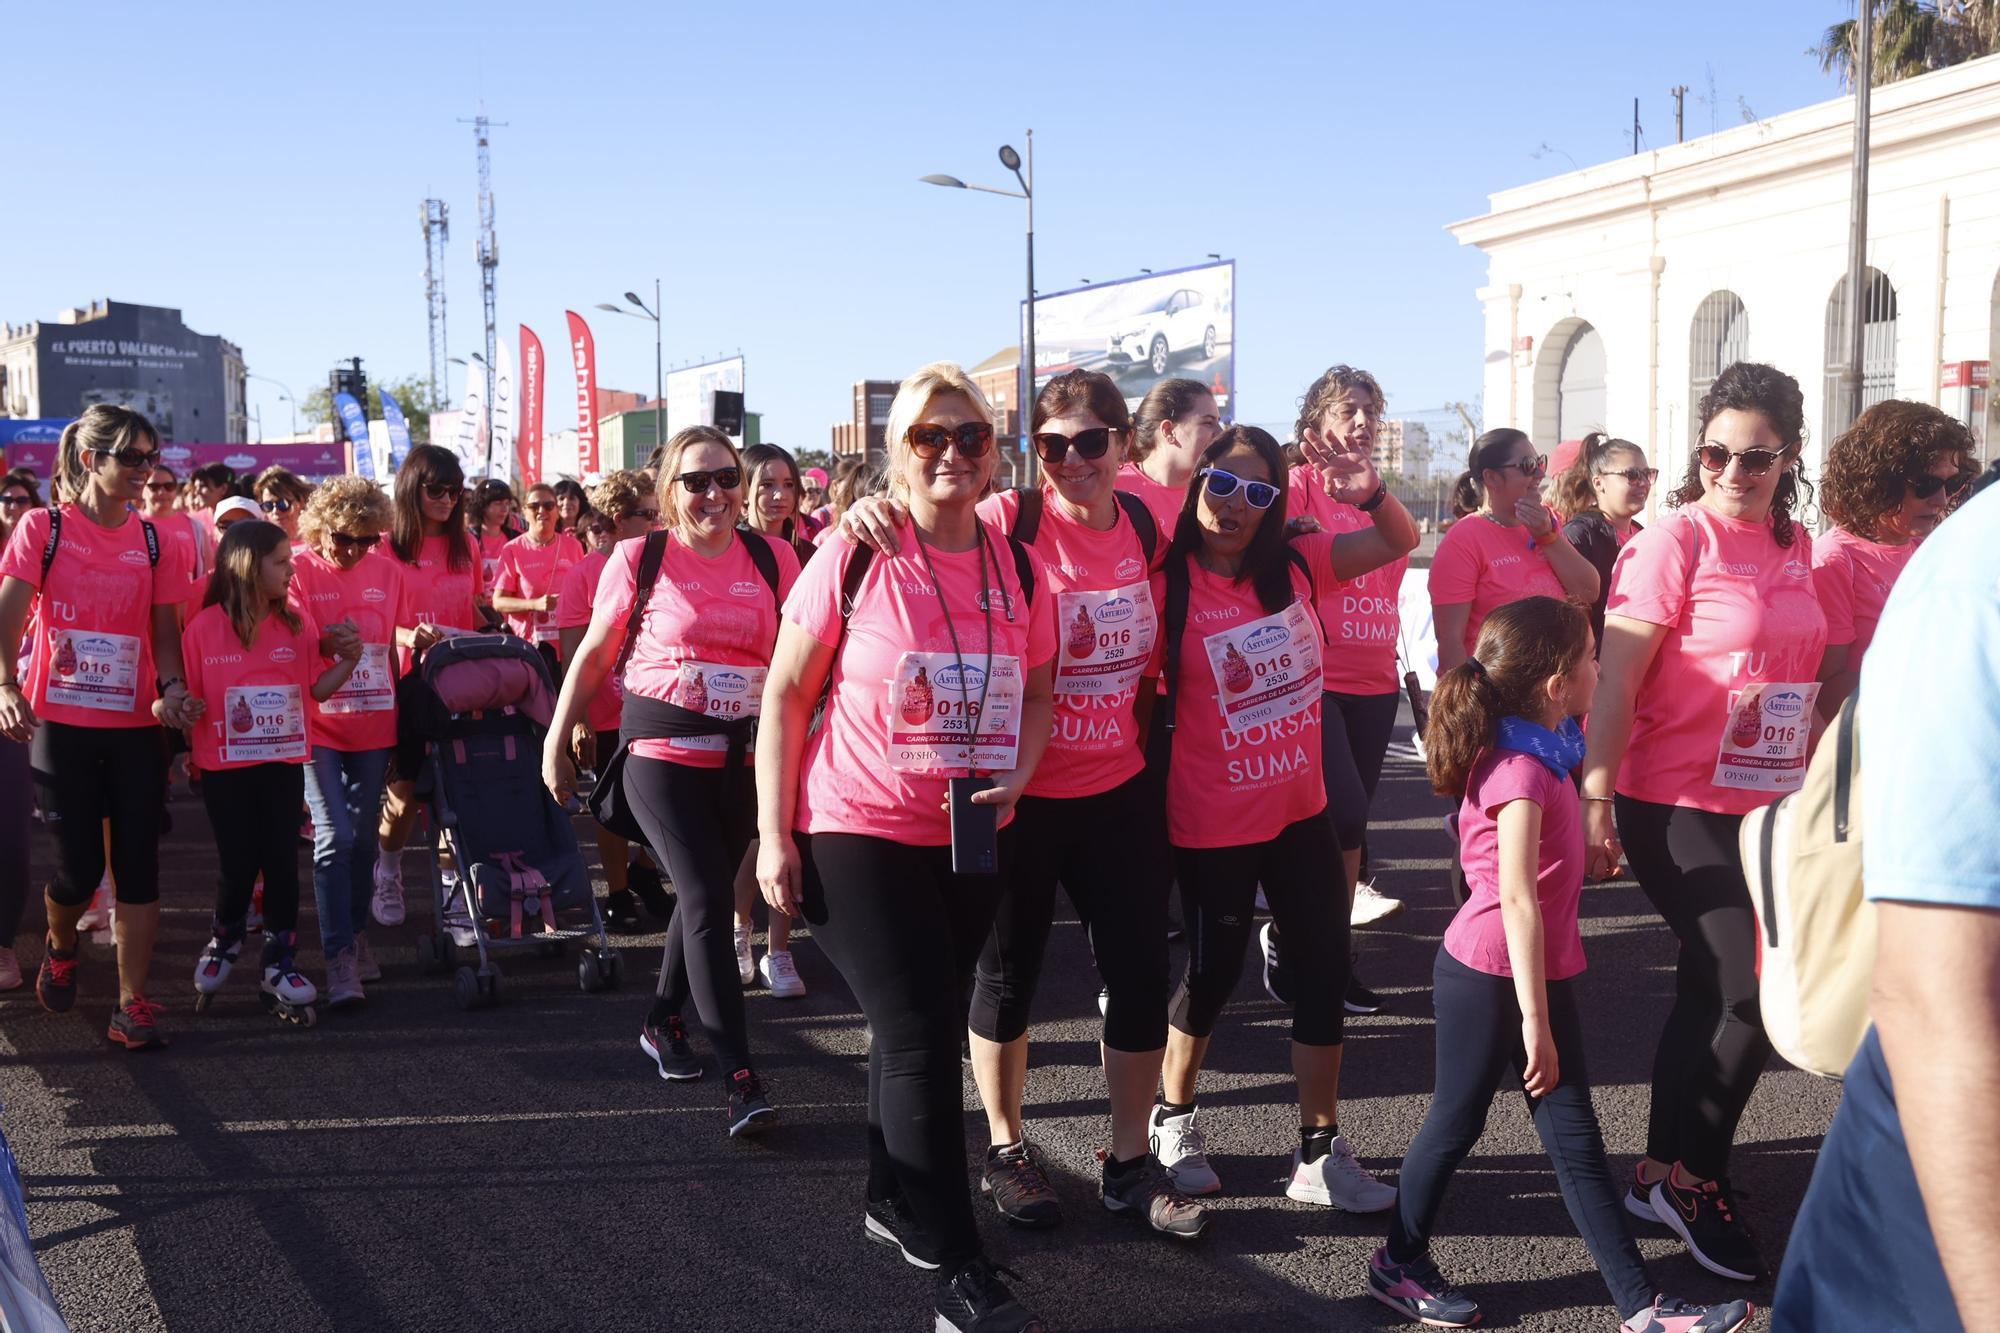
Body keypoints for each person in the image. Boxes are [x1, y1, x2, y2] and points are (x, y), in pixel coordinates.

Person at [835, 370, 1203, 1235]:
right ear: (1031, 455)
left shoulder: (1147, 524)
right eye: (1052, 446)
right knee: (1008, 977)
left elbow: (1224, 554)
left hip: (1117, 786)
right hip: (1017, 792)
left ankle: (1127, 1162)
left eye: (1090, 441)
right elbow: (926, 519)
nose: (1072, 461)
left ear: (1123, 442)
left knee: (1142, 977)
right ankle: (1008, 1149)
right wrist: (865, 514)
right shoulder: (1011, 522)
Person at [756, 363, 1055, 1333]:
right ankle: (958, 1272)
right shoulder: (855, 556)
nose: (951, 455)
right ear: (897, 453)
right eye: (929, 436)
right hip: (855, 824)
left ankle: (889, 1195)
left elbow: (1042, 690)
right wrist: (771, 835)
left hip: (970, 828)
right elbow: (784, 697)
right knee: (924, 1031)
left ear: (992, 450)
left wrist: (1020, 770)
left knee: (908, 1023)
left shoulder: (1016, 566)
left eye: (969, 436)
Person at [1371, 596, 1751, 1333]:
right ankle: (1398, 1261)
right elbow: (1515, 899)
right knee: (1455, 1122)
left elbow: (1531, 874)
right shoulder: (1519, 768)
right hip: (1494, 977)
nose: (1598, 669)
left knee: (1576, 1143)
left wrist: (1587, 850)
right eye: (1589, 659)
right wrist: (1535, 1021)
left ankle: (1641, 1309)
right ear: (1556, 683)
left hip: (1523, 971)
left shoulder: (1542, 746)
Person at [1577, 362, 1825, 1284]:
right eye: (1716, 452)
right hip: (1671, 799)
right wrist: (1595, 796)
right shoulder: (1673, 541)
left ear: (1786, 457)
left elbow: (1815, 673)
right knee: (1747, 986)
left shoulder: (1799, 546)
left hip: (1769, 803)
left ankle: (1657, 1170)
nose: (1733, 470)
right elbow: (1616, 679)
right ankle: (1697, 1179)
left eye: (1755, 457)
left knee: (1702, 988)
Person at [1145, 424, 1400, 1218]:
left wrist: (1367, 488)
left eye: (1259, 492)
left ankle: (1319, 1148)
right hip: (1211, 816)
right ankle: (1173, 1116)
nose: (1236, 505)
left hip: (1299, 810)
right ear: (1197, 482)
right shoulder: (1165, 579)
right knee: (1214, 975)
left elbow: (1398, 539)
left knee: (1324, 968)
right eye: (1223, 484)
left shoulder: (1300, 561)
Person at [1771, 479, 2000, 1332]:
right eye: (1924, 481)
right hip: (1935, 1218)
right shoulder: (1974, 576)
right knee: (1720, 999)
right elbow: (1934, 999)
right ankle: (1679, 1176)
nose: (1940, 496)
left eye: (1953, 476)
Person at [545, 427, 797, 1138]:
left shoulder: (774, 557)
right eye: (695, 481)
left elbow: (803, 655)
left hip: (743, 759)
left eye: (724, 478)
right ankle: (740, 1072)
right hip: (659, 752)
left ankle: (661, 1020)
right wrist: (556, 736)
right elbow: (594, 653)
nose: (713, 493)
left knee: (701, 892)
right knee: (710, 893)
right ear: (668, 492)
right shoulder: (639, 556)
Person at [0, 405, 198, 1049]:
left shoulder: (155, 539)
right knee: (80, 871)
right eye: (134, 458)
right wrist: (5, 687)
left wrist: (171, 689)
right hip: (61, 722)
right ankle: (60, 944)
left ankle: (130, 1003)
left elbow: (164, 631)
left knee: (139, 867)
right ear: (92, 461)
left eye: (152, 457)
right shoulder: (43, 528)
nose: (148, 470)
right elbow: (6, 619)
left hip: (136, 725)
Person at [1279, 367, 1423, 1011]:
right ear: (1315, 426)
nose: (1361, 421)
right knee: (1341, 816)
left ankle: (1321, 954)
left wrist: (1370, 495)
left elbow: (1403, 552)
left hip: (1373, 681)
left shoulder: (1380, 494)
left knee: (1348, 833)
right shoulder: (1294, 488)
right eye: (1346, 410)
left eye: (1370, 409)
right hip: (1314, 679)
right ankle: (1302, 942)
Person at [182, 521, 359, 1017]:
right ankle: (224, 938)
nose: (292, 567)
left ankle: (280, 957)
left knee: (281, 860)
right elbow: (187, 697)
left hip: (282, 763)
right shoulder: (202, 628)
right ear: (246, 567)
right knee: (237, 862)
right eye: (280, 561)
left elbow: (316, 691)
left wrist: (349, 661)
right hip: (223, 769)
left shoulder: (295, 624)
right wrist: (184, 713)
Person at [291, 477, 401, 1006]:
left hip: (374, 723)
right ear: (318, 528)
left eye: (367, 539)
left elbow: (391, 650)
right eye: (343, 538)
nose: (355, 550)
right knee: (334, 837)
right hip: (317, 722)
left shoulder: (388, 570)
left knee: (361, 840)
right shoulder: (296, 568)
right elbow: (286, 640)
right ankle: (337, 955)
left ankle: (356, 934)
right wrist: (325, 642)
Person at [372, 446, 482, 929]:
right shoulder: (383, 548)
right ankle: (389, 869)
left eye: (454, 491)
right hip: (405, 685)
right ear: (410, 488)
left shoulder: (468, 546)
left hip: (459, 683)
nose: (445, 499)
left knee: (457, 793)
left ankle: (452, 895)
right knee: (405, 792)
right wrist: (406, 634)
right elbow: (373, 620)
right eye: (434, 489)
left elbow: (472, 610)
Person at [1810, 399, 1973, 721]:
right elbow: (1828, 692)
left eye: (1951, 483)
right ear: (1878, 482)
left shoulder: (1932, 548)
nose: (1941, 499)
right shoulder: (1835, 561)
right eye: (1926, 485)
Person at [554, 470, 664, 932]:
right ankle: (617, 892)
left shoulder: (663, 557)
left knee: (659, 802)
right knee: (612, 805)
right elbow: (573, 654)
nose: (660, 523)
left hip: (653, 704)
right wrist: (577, 721)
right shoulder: (584, 575)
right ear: (619, 520)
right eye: (649, 515)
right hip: (604, 708)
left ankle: (645, 869)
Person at [729, 443, 818, 995]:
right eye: (766, 484)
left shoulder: (813, 553)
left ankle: (779, 951)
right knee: (751, 834)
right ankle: (740, 933)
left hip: (802, 708)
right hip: (742, 711)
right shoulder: (729, 551)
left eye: (787, 484)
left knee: (790, 829)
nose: (779, 495)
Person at [1430, 429, 1599, 672]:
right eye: (1528, 465)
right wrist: (1457, 706)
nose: (1540, 473)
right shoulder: (1464, 539)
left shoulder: (1546, 523)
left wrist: (1547, 538)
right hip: (1496, 698)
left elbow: (1589, 591)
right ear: (1492, 478)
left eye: (1540, 462)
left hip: (1554, 695)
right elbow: (1450, 643)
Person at [0, 470, 44, 990]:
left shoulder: (39, 556)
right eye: (4, 499)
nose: (12, 506)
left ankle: (4, 942)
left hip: (13, 707)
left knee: (10, 835)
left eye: (20, 499)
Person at [1554, 434, 1655, 646]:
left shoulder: (1645, 535)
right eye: (1632, 475)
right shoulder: (1580, 535)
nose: (1644, 483)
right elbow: (1572, 611)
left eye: (1648, 474)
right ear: (1599, 483)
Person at [491, 482, 585, 674]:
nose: (542, 511)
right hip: (528, 648)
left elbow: (584, 593)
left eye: (548, 505)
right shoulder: (513, 549)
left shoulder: (573, 546)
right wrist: (535, 604)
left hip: (567, 644)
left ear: (557, 511)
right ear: (525, 512)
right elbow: (498, 602)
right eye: (534, 506)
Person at [1117, 378, 1222, 529]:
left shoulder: (1213, 497)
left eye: (1218, 422)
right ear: (1168, 430)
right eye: (1208, 422)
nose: (1220, 433)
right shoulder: (1111, 487)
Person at [467, 477, 515, 609]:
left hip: (508, 612)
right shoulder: (470, 539)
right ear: (483, 506)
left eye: (507, 503)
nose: (505, 509)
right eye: (498, 503)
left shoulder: (514, 539)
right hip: (479, 613)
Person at [254, 466, 314, 545]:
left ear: (301, 501)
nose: (275, 511)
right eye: (268, 506)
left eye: (283, 504)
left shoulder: (318, 544)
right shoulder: (262, 548)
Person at [0, 470, 41, 549]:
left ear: (33, 504)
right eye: (7, 500)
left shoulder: (47, 543)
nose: (14, 507)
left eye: (22, 500)